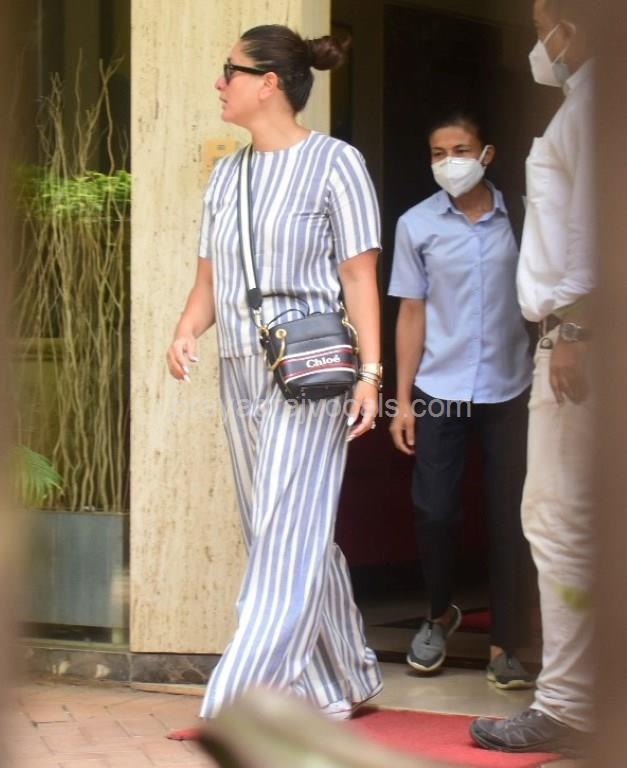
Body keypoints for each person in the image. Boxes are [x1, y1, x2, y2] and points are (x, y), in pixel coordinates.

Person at [165, 25, 383, 725]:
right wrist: (185, 331)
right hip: (238, 373)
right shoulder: (226, 176)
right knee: (279, 531)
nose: (218, 82)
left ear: (269, 83)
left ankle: (243, 700)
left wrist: (370, 374)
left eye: (229, 70)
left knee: (286, 533)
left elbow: (359, 276)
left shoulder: (336, 163)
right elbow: (209, 282)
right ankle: (344, 674)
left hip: (310, 373)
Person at [470, 0, 594, 757]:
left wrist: (575, 326)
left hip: (582, 338)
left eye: (541, 27)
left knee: (560, 521)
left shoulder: (592, 108)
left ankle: (571, 704)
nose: (538, 43)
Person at [388, 111, 535, 689]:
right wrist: (402, 400)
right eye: (438, 152)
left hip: (511, 384)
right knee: (435, 509)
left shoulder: (522, 215)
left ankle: (506, 644)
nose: (450, 161)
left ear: (487, 154)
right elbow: (411, 311)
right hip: (439, 387)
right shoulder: (416, 224)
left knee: (510, 514)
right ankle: (437, 615)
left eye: (461, 149)